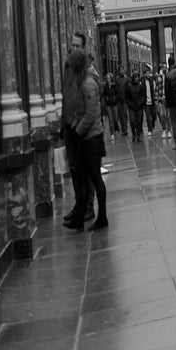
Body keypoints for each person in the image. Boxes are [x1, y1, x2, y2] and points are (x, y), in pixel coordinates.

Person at [62, 47, 107, 231]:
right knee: (84, 177)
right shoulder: (82, 82)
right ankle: (79, 217)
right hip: (86, 137)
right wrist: (74, 126)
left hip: (92, 139)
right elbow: (80, 112)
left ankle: (102, 217)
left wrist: (77, 132)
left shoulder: (88, 84)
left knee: (95, 178)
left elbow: (90, 114)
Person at [60, 31, 95, 223]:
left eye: (77, 46)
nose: (74, 49)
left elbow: (88, 101)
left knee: (86, 168)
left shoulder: (88, 69)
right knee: (74, 168)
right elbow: (66, 96)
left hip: (81, 127)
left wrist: (79, 126)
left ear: (83, 48)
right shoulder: (67, 67)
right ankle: (79, 205)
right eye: (72, 45)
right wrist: (63, 123)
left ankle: (88, 206)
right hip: (69, 125)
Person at [124, 70, 145, 143]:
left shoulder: (140, 85)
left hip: (139, 106)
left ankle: (138, 135)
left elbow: (143, 96)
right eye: (135, 77)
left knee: (138, 121)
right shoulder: (129, 86)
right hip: (131, 106)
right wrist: (130, 104)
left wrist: (141, 103)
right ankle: (133, 133)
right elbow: (127, 97)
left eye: (137, 77)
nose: (137, 78)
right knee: (132, 121)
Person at [101, 71, 120, 140]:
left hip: (114, 104)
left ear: (111, 78)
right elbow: (103, 94)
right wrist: (106, 99)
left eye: (109, 78)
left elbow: (117, 93)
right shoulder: (105, 86)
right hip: (108, 105)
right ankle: (112, 133)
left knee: (116, 119)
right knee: (110, 119)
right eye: (107, 78)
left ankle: (116, 127)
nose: (108, 79)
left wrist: (115, 98)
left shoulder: (114, 85)